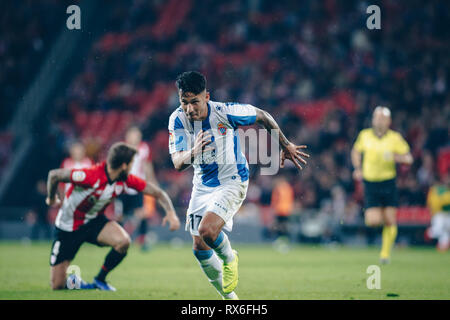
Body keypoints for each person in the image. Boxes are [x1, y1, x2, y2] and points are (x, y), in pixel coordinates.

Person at [168, 71, 309, 299]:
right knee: (199, 248)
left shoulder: (225, 112)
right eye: (184, 102)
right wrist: (193, 152)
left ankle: (230, 258)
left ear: (206, 97)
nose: (190, 109)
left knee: (207, 231)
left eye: (195, 102)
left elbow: (262, 116)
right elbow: (176, 162)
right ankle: (229, 298)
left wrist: (284, 144)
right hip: (202, 185)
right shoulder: (177, 119)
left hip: (232, 181)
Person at [46, 142, 180, 291]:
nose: (131, 168)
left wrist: (171, 213)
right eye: (130, 164)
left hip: (94, 222)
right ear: (124, 165)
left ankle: (100, 280)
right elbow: (55, 175)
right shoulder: (91, 175)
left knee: (123, 242)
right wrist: (51, 198)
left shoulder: (125, 180)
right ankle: (74, 283)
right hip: (68, 226)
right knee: (57, 285)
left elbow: (158, 193)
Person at [351, 106, 413, 264]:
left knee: (390, 219)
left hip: (388, 182)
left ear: (388, 121)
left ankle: (385, 254)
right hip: (370, 182)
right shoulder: (364, 135)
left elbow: (409, 158)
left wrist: (395, 157)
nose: (379, 120)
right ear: (373, 120)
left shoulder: (395, 138)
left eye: (382, 118)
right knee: (373, 220)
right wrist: (358, 168)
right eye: (376, 117)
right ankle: (381, 234)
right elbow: (356, 152)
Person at [116, 126, 158, 251]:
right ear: (127, 136)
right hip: (122, 187)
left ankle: (142, 239)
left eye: (137, 135)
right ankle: (118, 239)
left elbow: (147, 166)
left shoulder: (144, 148)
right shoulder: (121, 149)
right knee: (120, 216)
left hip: (137, 187)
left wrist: (152, 181)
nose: (135, 137)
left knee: (142, 213)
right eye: (133, 134)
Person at [426, 170, 450, 251]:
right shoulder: (437, 189)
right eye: (446, 178)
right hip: (439, 214)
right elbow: (433, 203)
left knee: (446, 231)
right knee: (437, 230)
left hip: (448, 214)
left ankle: (443, 246)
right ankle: (428, 233)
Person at [271, 177, 295, 241]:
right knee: (285, 226)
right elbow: (290, 199)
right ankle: (286, 239)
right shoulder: (288, 187)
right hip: (286, 210)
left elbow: (275, 199)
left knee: (279, 226)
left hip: (279, 210)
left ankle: (279, 238)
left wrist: (274, 207)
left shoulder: (278, 188)